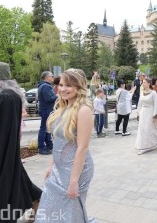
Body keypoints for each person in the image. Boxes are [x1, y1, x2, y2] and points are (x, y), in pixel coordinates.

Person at [0, 62, 42, 221]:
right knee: (17, 175)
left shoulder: (7, 97)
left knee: (7, 178)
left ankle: (36, 201)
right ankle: (37, 200)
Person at [36, 68, 95, 222]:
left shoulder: (83, 110)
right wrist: (52, 165)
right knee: (50, 207)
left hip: (76, 169)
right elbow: (59, 142)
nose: (62, 89)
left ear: (78, 87)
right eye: (61, 85)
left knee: (70, 211)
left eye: (68, 85)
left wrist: (74, 181)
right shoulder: (63, 107)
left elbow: (82, 147)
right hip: (59, 167)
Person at [135, 78, 157, 155]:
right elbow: (139, 104)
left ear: (149, 83)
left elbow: (156, 104)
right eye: (142, 82)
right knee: (142, 129)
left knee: (150, 129)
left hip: (151, 112)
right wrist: (138, 113)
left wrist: (155, 115)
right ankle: (143, 146)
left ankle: (156, 141)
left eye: (144, 82)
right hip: (143, 113)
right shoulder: (142, 93)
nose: (143, 84)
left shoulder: (153, 93)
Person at [37, 71, 57, 155]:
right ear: (47, 77)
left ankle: (49, 145)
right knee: (44, 128)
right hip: (46, 110)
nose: (53, 77)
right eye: (52, 76)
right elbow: (48, 99)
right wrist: (57, 96)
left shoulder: (44, 86)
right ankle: (42, 148)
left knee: (47, 128)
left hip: (46, 109)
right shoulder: (45, 86)